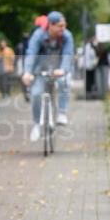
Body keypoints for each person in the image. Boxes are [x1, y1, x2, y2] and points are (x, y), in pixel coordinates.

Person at [22, 11, 74, 141]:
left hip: (59, 68)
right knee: (36, 93)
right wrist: (27, 72)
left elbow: (68, 55)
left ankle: (62, 112)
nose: (63, 28)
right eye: (60, 26)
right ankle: (36, 124)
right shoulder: (38, 35)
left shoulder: (67, 36)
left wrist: (63, 70)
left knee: (64, 82)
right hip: (41, 69)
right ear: (51, 25)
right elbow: (31, 53)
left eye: (64, 25)